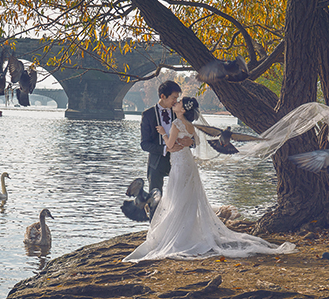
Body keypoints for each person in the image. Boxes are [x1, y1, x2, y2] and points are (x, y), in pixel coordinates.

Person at [125, 97, 295, 262]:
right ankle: (186, 230)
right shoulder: (191, 126)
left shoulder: (176, 124)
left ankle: (179, 234)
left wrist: (163, 134)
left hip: (178, 165)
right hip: (188, 164)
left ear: (183, 110)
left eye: (178, 103)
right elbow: (196, 142)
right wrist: (187, 141)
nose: (175, 104)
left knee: (177, 198)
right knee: (187, 198)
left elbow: (169, 146)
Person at [140, 80, 193, 194]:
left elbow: (191, 133)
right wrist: (166, 149)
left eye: (177, 98)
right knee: (155, 198)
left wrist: (191, 142)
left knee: (181, 195)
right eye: (174, 98)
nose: (176, 101)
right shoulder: (148, 115)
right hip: (157, 162)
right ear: (163, 96)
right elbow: (144, 144)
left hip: (179, 160)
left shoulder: (179, 112)